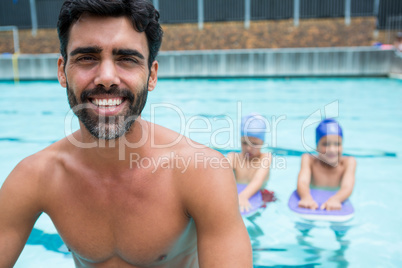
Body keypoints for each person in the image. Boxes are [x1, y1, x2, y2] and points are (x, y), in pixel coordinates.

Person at [0, 1, 252, 267]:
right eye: (87, 58)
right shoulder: (35, 178)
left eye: (126, 59)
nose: (106, 77)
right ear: (62, 72)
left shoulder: (201, 173)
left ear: (151, 76)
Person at [297, 118, 356, 211]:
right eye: (326, 144)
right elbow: (302, 182)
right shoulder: (309, 160)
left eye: (337, 144)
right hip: (312, 198)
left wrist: (336, 199)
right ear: (317, 146)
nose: (332, 149)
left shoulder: (348, 163)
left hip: (337, 197)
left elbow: (347, 187)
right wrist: (306, 197)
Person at [227, 113, 274, 214]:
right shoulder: (233, 157)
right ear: (240, 140)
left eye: (254, 144)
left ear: (262, 142)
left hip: (260, 194)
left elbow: (258, 180)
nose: (248, 148)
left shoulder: (266, 158)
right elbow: (222, 177)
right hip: (236, 194)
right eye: (244, 143)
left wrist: (243, 196)